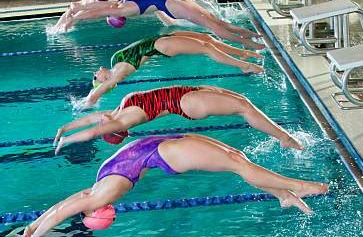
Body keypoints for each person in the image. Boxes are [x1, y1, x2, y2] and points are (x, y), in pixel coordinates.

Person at [22, 133, 329, 237]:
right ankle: (298, 185)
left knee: (236, 159)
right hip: (165, 151)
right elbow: (63, 206)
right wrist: (34, 228)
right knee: (238, 165)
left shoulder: (97, 195)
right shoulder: (95, 190)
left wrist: (36, 233)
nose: (111, 213)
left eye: (107, 217)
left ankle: (285, 194)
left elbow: (62, 211)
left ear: (98, 212)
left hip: (166, 150)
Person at [54, 86, 303, 153]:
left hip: (184, 91)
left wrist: (64, 127)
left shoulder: (116, 111)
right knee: (243, 107)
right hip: (186, 103)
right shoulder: (121, 123)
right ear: (110, 130)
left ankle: (283, 137)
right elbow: (90, 133)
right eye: (102, 125)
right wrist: (66, 141)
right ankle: (284, 138)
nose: (99, 121)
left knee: (239, 99)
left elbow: (89, 120)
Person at [86, 31, 264, 106]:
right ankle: (246, 66)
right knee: (206, 48)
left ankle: (242, 54)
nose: (95, 74)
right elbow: (102, 90)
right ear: (103, 82)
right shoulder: (118, 73)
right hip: (160, 45)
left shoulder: (114, 62)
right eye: (95, 78)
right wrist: (89, 101)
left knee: (206, 38)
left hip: (162, 38)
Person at [62, 0, 264, 49]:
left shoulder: (121, 9)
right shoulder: (122, 4)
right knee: (214, 23)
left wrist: (74, 18)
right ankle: (254, 40)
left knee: (214, 24)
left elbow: (96, 11)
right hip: (171, 1)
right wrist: (75, 15)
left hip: (171, 3)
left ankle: (255, 41)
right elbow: (97, 10)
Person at [53, 0, 176, 32]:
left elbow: (79, 10)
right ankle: (171, 22)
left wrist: (69, 21)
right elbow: (80, 11)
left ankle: (171, 22)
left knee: (81, 9)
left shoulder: (117, 6)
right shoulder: (115, 5)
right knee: (81, 9)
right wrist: (70, 21)